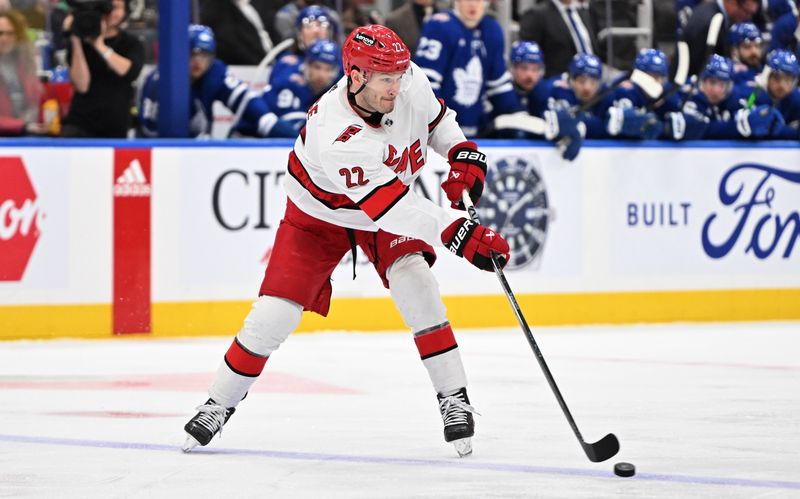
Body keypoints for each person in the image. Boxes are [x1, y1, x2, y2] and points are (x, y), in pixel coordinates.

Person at [182, 24, 510, 458]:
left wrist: (460, 151)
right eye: (385, 79)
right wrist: (459, 231)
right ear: (355, 76)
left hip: (384, 202)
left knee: (418, 285)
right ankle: (218, 402)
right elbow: (390, 209)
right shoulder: (335, 133)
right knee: (273, 316)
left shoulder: (408, 78)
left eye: (400, 74)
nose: (397, 86)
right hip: (319, 216)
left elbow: (437, 122)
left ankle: (454, 397)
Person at [137, 25, 276, 138]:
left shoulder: (214, 71)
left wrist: (268, 120)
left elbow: (245, 100)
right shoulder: (161, 79)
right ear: (181, 53)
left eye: (205, 56)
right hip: (160, 151)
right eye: (193, 55)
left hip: (200, 151)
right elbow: (149, 129)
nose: (199, 62)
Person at [413, 0, 521, 137]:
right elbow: (426, 83)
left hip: (477, 131)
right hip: (438, 135)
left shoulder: (492, 30)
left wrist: (516, 117)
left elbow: (499, 85)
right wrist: (440, 126)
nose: (473, 4)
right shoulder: (439, 26)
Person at [60, 0, 143, 138]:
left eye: (116, 8)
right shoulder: (81, 43)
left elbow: (129, 71)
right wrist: (75, 38)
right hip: (81, 123)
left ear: (125, 11)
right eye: (105, 8)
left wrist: (99, 45)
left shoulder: (131, 43)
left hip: (116, 123)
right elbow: (81, 85)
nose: (110, 13)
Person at [233, 39, 341, 137]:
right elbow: (288, 133)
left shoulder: (330, 92)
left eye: (328, 69)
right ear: (307, 65)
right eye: (317, 67)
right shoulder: (291, 85)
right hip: (247, 139)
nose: (322, 75)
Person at [518, 0, 600, 79]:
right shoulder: (537, 14)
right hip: (559, 83)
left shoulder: (583, 11)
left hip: (593, 80)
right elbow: (528, 56)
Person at [0, 9, 48, 136]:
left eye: (10, 33)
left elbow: (35, 101)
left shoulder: (25, 63)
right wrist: (24, 126)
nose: (5, 38)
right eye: (0, 33)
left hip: (28, 129)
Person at [680, 0, 759, 77]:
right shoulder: (709, 22)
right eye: (746, 12)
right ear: (732, 2)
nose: (748, 18)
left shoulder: (711, 10)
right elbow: (700, 66)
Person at [268, 5, 338, 87]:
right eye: (309, 25)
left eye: (321, 25)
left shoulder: (342, 65)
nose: (316, 30)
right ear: (299, 33)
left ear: (329, 32)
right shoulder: (286, 64)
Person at [548, 53, 613, 139]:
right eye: (581, 81)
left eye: (593, 82)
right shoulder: (558, 91)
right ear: (571, 80)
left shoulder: (607, 95)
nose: (587, 88)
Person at [743, 49, 800, 138]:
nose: (782, 85)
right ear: (767, 76)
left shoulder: (796, 99)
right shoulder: (754, 93)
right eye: (777, 78)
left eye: (788, 79)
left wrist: (782, 131)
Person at [198, 0, 276, 66]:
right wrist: (261, 64)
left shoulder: (253, 6)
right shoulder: (217, 7)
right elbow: (229, 43)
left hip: (267, 64)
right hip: (243, 69)